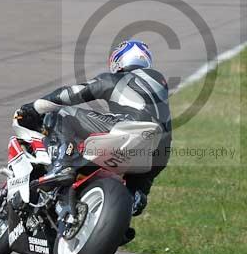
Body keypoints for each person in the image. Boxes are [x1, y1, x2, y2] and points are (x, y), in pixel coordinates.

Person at [14, 40, 171, 220]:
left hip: (127, 128)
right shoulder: (160, 89)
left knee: (63, 113)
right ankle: (130, 201)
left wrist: (35, 107)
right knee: (134, 192)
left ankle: (62, 166)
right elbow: (164, 147)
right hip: (156, 150)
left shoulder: (119, 78)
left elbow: (73, 93)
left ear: (119, 60)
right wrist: (142, 189)